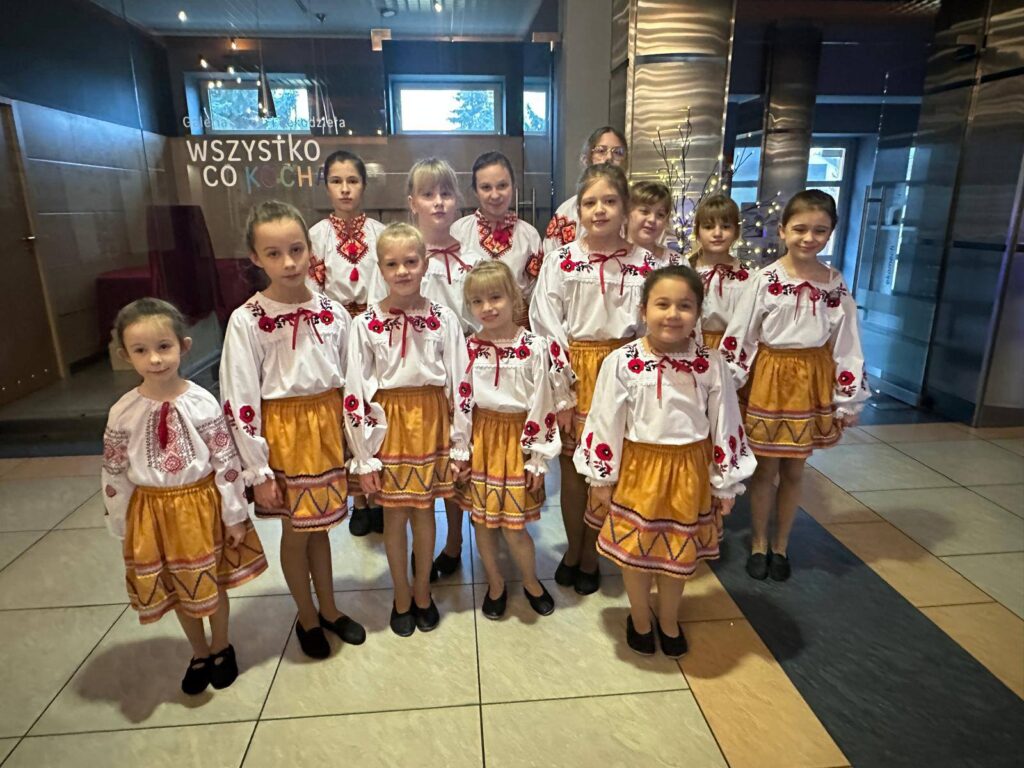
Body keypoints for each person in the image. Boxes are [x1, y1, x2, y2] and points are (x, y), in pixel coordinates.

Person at [576, 265, 754, 656]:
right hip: (638, 470)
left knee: (679, 550)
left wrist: (726, 481)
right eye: (662, 304)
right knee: (636, 553)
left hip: (689, 470)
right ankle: (640, 617)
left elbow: (726, 422)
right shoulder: (622, 361)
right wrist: (602, 478)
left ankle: (669, 618)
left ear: (698, 312)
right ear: (643, 310)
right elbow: (605, 420)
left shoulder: (712, 364)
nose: (673, 314)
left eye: (684, 306)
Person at [220, 201, 365, 660]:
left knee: (321, 527)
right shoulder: (247, 320)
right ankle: (306, 615)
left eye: (296, 249)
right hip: (283, 435)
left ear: (310, 248)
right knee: (297, 531)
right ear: (255, 258)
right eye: (274, 253)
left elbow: (351, 382)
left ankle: (330, 608)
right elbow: (240, 397)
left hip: (325, 428)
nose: (288, 262)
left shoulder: (334, 313)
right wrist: (258, 470)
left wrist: (357, 446)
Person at [102, 298, 267, 694]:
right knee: (179, 586)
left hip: (201, 506)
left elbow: (226, 460)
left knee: (213, 580)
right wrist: (123, 524)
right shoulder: (123, 412)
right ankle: (199, 652)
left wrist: (234, 514)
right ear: (126, 356)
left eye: (164, 346)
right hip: (153, 512)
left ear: (184, 346)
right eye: (141, 350)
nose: (155, 359)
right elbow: (114, 472)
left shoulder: (201, 401)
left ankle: (221, 645)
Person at [530, 163, 671, 596]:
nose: (600, 210)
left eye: (610, 201)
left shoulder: (646, 264)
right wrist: (562, 391)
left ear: (625, 207)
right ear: (578, 210)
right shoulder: (561, 261)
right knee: (574, 469)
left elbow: (653, 325)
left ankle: (595, 552)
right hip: (576, 370)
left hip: (626, 370)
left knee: (612, 468)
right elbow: (546, 325)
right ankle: (574, 550)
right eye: (590, 202)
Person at [720, 190, 869, 581]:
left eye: (820, 230)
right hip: (770, 378)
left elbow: (847, 341)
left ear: (831, 233)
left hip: (810, 380)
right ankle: (758, 542)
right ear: (783, 230)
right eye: (800, 229)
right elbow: (742, 334)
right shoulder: (765, 280)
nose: (809, 238)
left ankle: (782, 545)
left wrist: (848, 397)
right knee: (765, 468)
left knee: (795, 470)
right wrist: (728, 385)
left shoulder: (834, 284)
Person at [344, 223, 471, 636]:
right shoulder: (365, 324)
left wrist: (460, 442)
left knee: (425, 510)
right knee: (395, 514)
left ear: (425, 263)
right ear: (380, 267)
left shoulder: (444, 318)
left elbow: (460, 382)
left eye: (411, 262)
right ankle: (400, 594)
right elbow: (355, 390)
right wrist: (363, 454)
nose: (402, 271)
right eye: (392, 264)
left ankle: (422, 591)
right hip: (390, 423)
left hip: (431, 419)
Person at [458, 260, 571, 619]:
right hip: (482, 439)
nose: (487, 307)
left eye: (496, 297)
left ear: (514, 298)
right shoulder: (468, 348)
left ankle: (531, 581)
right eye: (477, 301)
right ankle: (495, 583)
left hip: (517, 440)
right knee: (483, 522)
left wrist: (537, 458)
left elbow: (542, 403)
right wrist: (461, 449)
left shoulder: (534, 347)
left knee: (515, 527)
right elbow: (461, 401)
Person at [308, 150, 387, 537]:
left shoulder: (380, 234)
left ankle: (381, 495)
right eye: (336, 181)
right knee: (347, 409)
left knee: (376, 403)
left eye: (352, 181)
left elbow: (388, 283)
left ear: (364, 185)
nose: (345, 189)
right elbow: (313, 290)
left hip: (375, 330)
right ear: (326, 186)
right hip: (336, 331)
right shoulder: (316, 235)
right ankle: (359, 500)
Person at [451, 151, 544, 313]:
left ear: (513, 186)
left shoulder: (529, 235)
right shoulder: (458, 232)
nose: (495, 195)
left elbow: (538, 295)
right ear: (475, 191)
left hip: (518, 324)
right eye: (486, 187)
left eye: (502, 186)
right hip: (470, 323)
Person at [542, 126, 629, 254]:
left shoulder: (639, 209)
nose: (609, 157)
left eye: (618, 152)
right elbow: (550, 258)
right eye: (601, 150)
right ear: (586, 158)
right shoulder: (567, 212)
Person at [689, 194, 749, 350]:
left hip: (732, 350)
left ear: (736, 231)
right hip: (688, 347)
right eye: (709, 227)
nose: (717, 233)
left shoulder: (749, 279)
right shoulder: (685, 272)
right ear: (697, 231)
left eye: (725, 227)